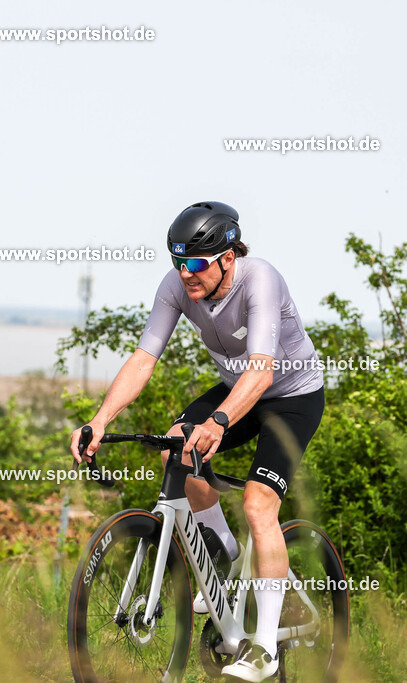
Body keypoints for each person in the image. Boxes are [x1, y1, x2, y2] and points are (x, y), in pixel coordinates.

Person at [71, 201, 325, 682]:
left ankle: (265, 648)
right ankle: (221, 548)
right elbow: (145, 356)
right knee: (175, 445)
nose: (184, 273)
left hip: (291, 395)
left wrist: (220, 422)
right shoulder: (177, 287)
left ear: (228, 257)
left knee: (257, 504)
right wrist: (101, 418)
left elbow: (263, 368)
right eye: (176, 261)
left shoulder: (261, 280)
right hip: (236, 389)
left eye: (194, 263)